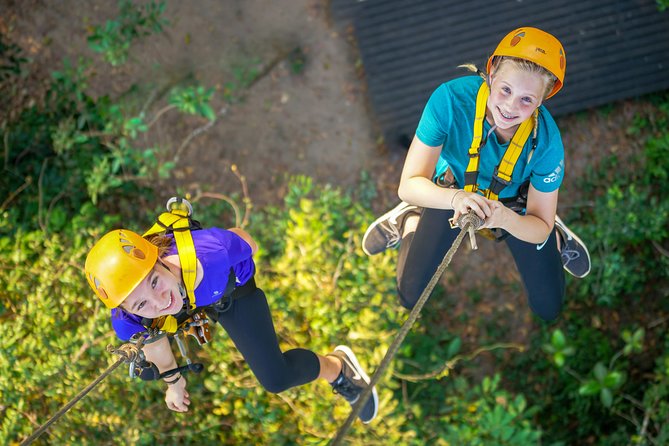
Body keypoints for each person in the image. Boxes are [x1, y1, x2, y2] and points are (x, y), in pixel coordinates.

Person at [362, 27, 590, 322]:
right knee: (410, 295)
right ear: (491, 72)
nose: (509, 107)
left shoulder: (546, 142)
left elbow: (539, 226)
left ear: (542, 101)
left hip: (514, 206)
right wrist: (455, 198)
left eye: (526, 100)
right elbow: (409, 184)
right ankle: (411, 219)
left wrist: (505, 218)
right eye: (506, 89)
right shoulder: (450, 101)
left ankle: (557, 236)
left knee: (548, 306)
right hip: (452, 190)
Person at [84, 225, 378, 423]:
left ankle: (338, 369)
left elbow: (245, 240)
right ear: (127, 310)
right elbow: (156, 340)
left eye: (154, 281)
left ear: (160, 260)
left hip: (230, 291)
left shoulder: (212, 254)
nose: (158, 302)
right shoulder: (129, 320)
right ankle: (185, 294)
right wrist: (174, 383)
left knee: (276, 379)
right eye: (140, 304)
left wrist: (220, 276)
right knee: (164, 312)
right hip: (193, 300)